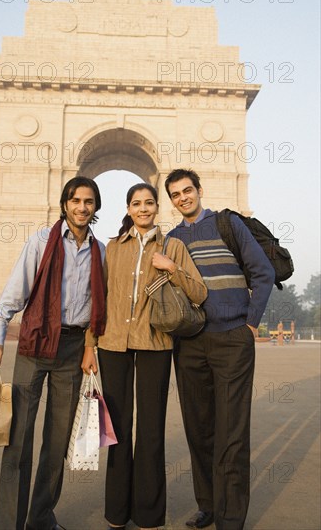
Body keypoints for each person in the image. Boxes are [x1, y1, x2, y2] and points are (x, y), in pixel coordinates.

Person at [81, 183, 207, 530]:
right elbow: (98, 298)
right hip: (112, 345)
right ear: (128, 208)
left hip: (156, 342)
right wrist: (89, 345)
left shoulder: (174, 246)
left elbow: (198, 291)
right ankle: (117, 512)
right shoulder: (112, 248)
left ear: (157, 207)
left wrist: (170, 267)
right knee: (118, 430)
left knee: (151, 430)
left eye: (149, 203)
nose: (143, 209)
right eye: (136, 203)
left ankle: (150, 515)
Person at [0, 176, 105, 530]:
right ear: (65, 203)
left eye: (89, 201)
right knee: (18, 440)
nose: (82, 207)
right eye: (76, 200)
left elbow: (99, 304)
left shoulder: (100, 251)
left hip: (72, 349)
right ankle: (9, 523)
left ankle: (40, 518)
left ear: (95, 207)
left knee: (56, 443)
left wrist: (90, 346)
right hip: (35, 343)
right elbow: (16, 289)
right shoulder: (41, 242)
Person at [164, 169, 275, 530]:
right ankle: (208, 505)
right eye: (176, 194)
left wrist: (250, 324)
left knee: (231, 432)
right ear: (171, 200)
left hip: (232, 338)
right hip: (191, 343)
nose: (183, 198)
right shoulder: (171, 239)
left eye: (187, 191)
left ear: (199, 190)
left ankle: (230, 517)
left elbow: (262, 272)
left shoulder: (228, 225)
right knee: (199, 429)